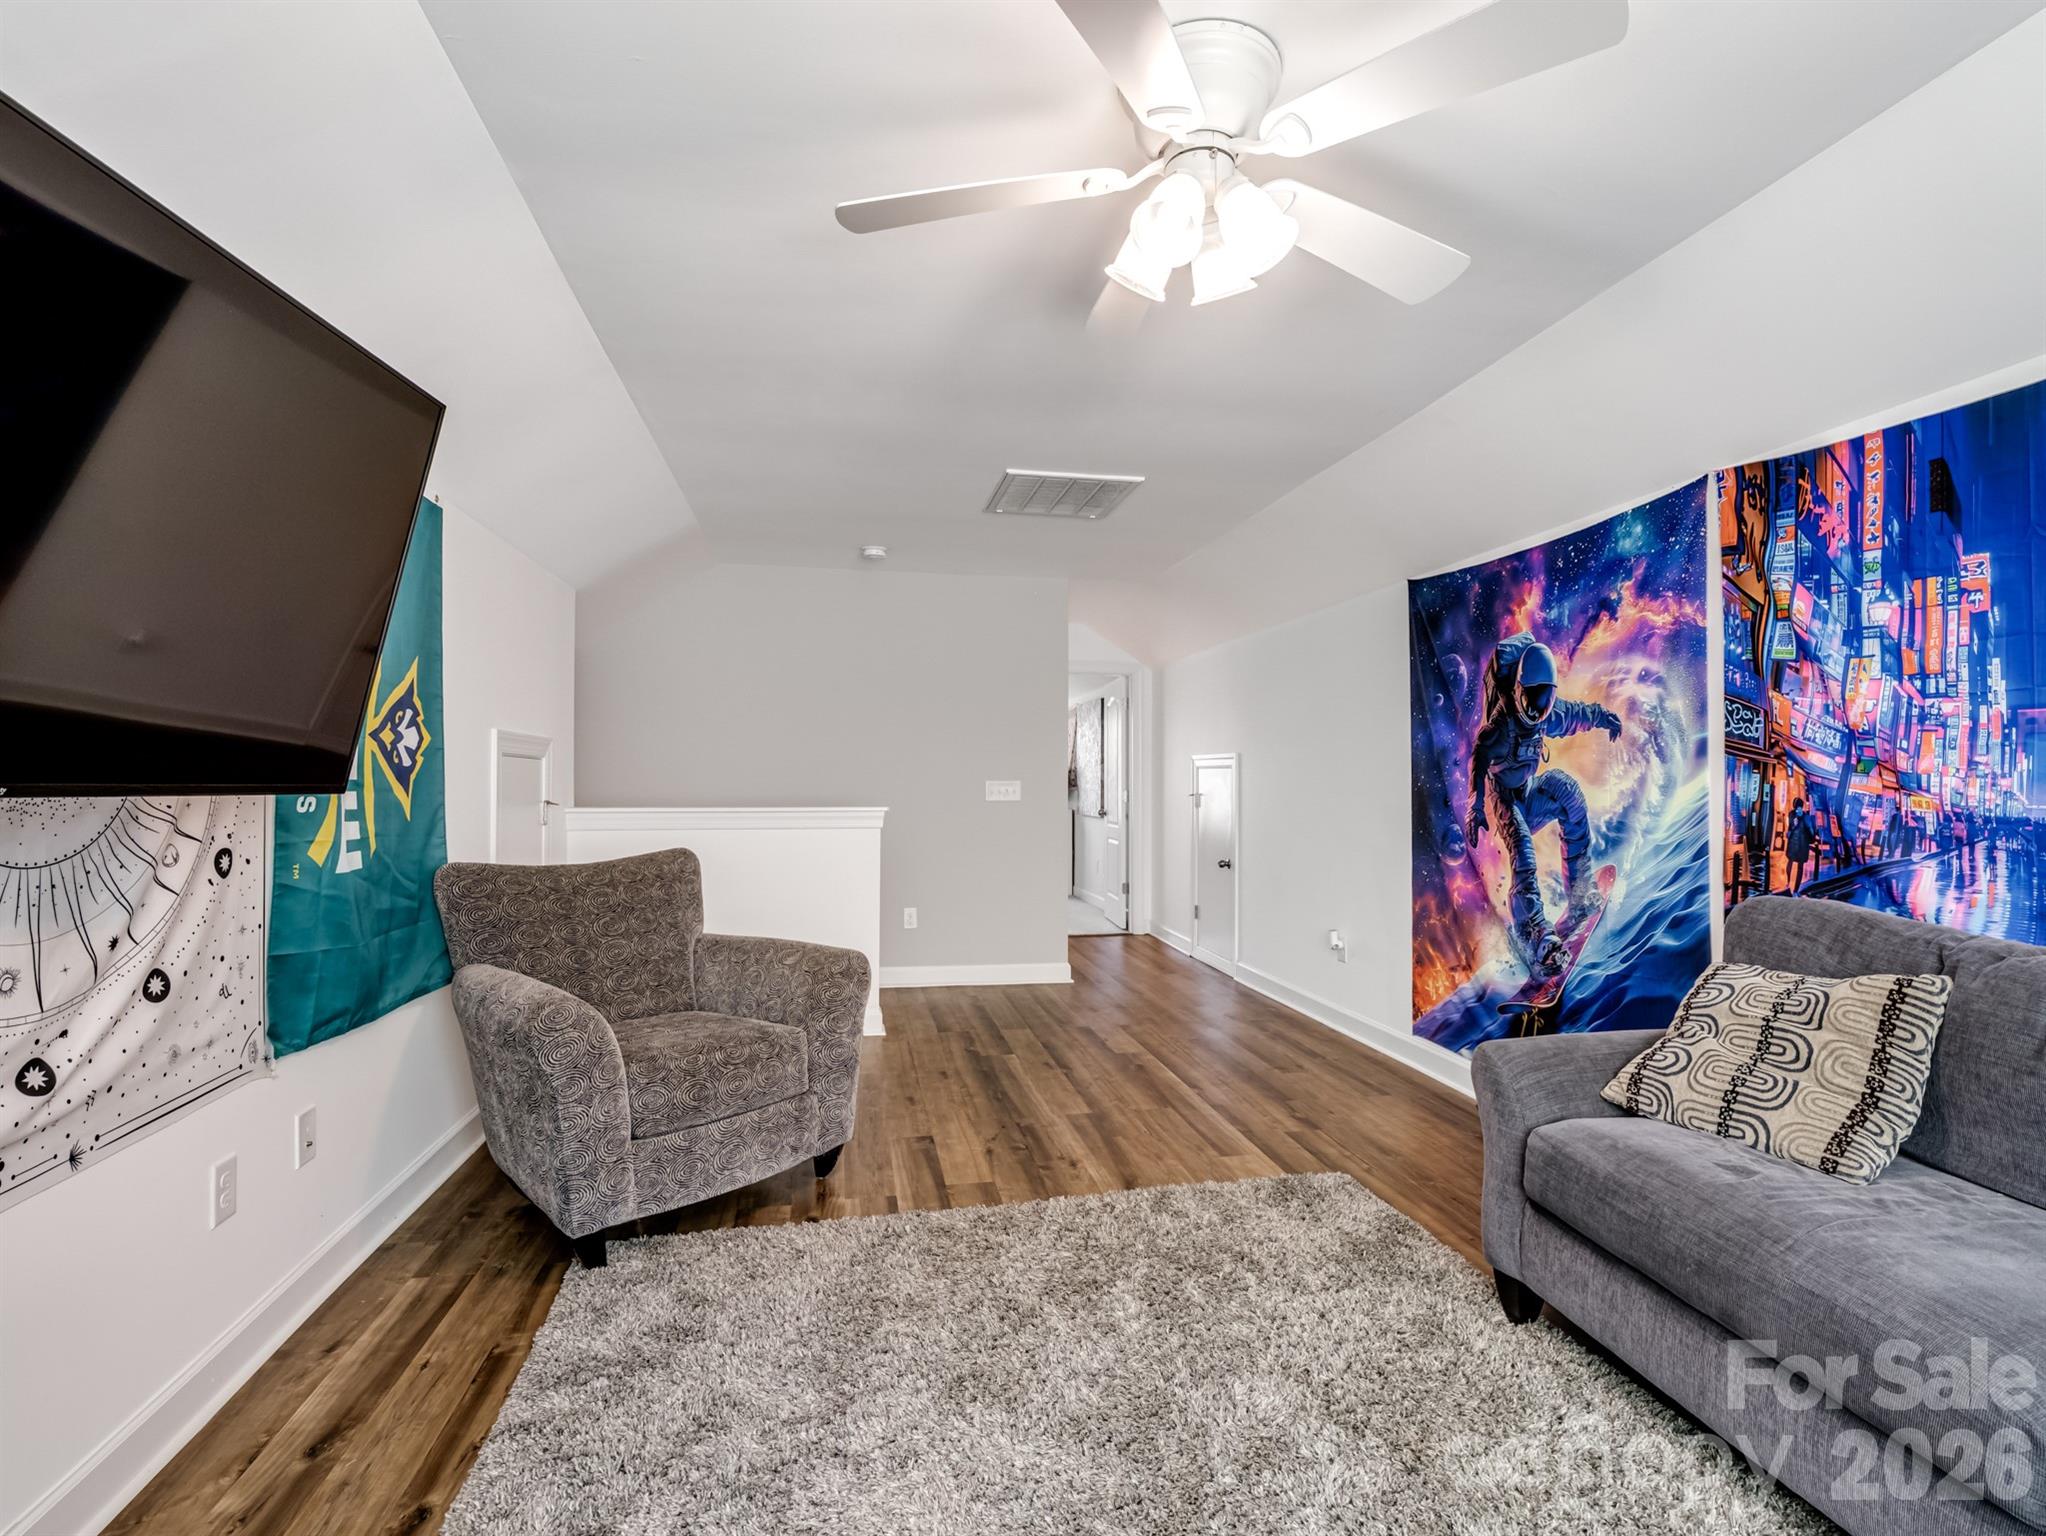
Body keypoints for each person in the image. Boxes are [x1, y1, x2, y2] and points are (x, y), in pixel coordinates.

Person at [1464, 634, 1622, 974]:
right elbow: (1478, 759)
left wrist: (1604, 717)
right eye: (1532, 698)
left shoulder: (1547, 714)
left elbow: (1577, 714)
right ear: (1518, 689)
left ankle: (1580, 892)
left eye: (1545, 699)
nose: (1537, 708)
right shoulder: (1500, 728)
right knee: (1523, 848)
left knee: (1567, 791)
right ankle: (1534, 934)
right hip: (1505, 802)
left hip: (1529, 792)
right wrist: (1475, 806)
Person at [1786, 797, 1816, 893]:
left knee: (1790, 861)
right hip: (1803, 844)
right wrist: (1812, 838)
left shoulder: (1791, 814)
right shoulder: (1806, 816)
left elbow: (1790, 827)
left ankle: (1787, 882)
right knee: (1800, 866)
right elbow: (1810, 830)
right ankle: (1795, 890)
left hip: (1793, 843)